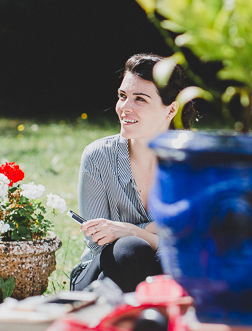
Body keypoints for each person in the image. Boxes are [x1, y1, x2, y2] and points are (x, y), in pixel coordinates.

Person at [70, 53, 196, 293]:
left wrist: (136, 231)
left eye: (140, 99)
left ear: (170, 110)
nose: (124, 107)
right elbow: (97, 242)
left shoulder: (192, 162)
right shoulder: (98, 156)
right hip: (106, 275)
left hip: (173, 274)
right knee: (130, 250)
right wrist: (155, 231)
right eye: (122, 96)